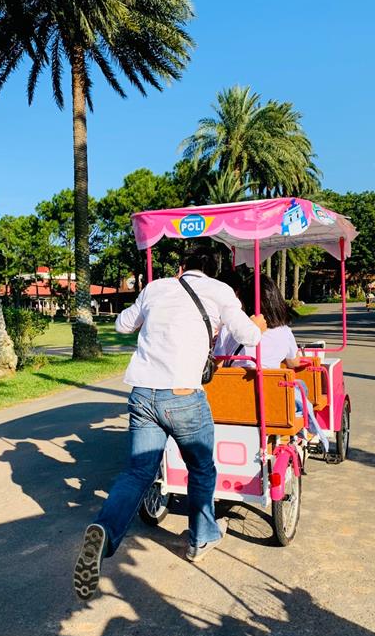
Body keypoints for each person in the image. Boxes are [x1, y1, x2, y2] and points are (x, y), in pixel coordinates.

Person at [73, 245, 267, 601]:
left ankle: (105, 529)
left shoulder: (156, 287)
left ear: (181, 267)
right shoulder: (220, 290)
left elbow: (122, 324)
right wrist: (256, 325)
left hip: (142, 394)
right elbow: (249, 337)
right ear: (212, 270)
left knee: (137, 472)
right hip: (183, 396)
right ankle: (201, 536)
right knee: (202, 469)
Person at [214, 275, 329, 452]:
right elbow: (293, 362)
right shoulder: (284, 332)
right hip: (272, 405)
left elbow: (218, 365)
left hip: (233, 403)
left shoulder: (228, 329)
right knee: (299, 386)